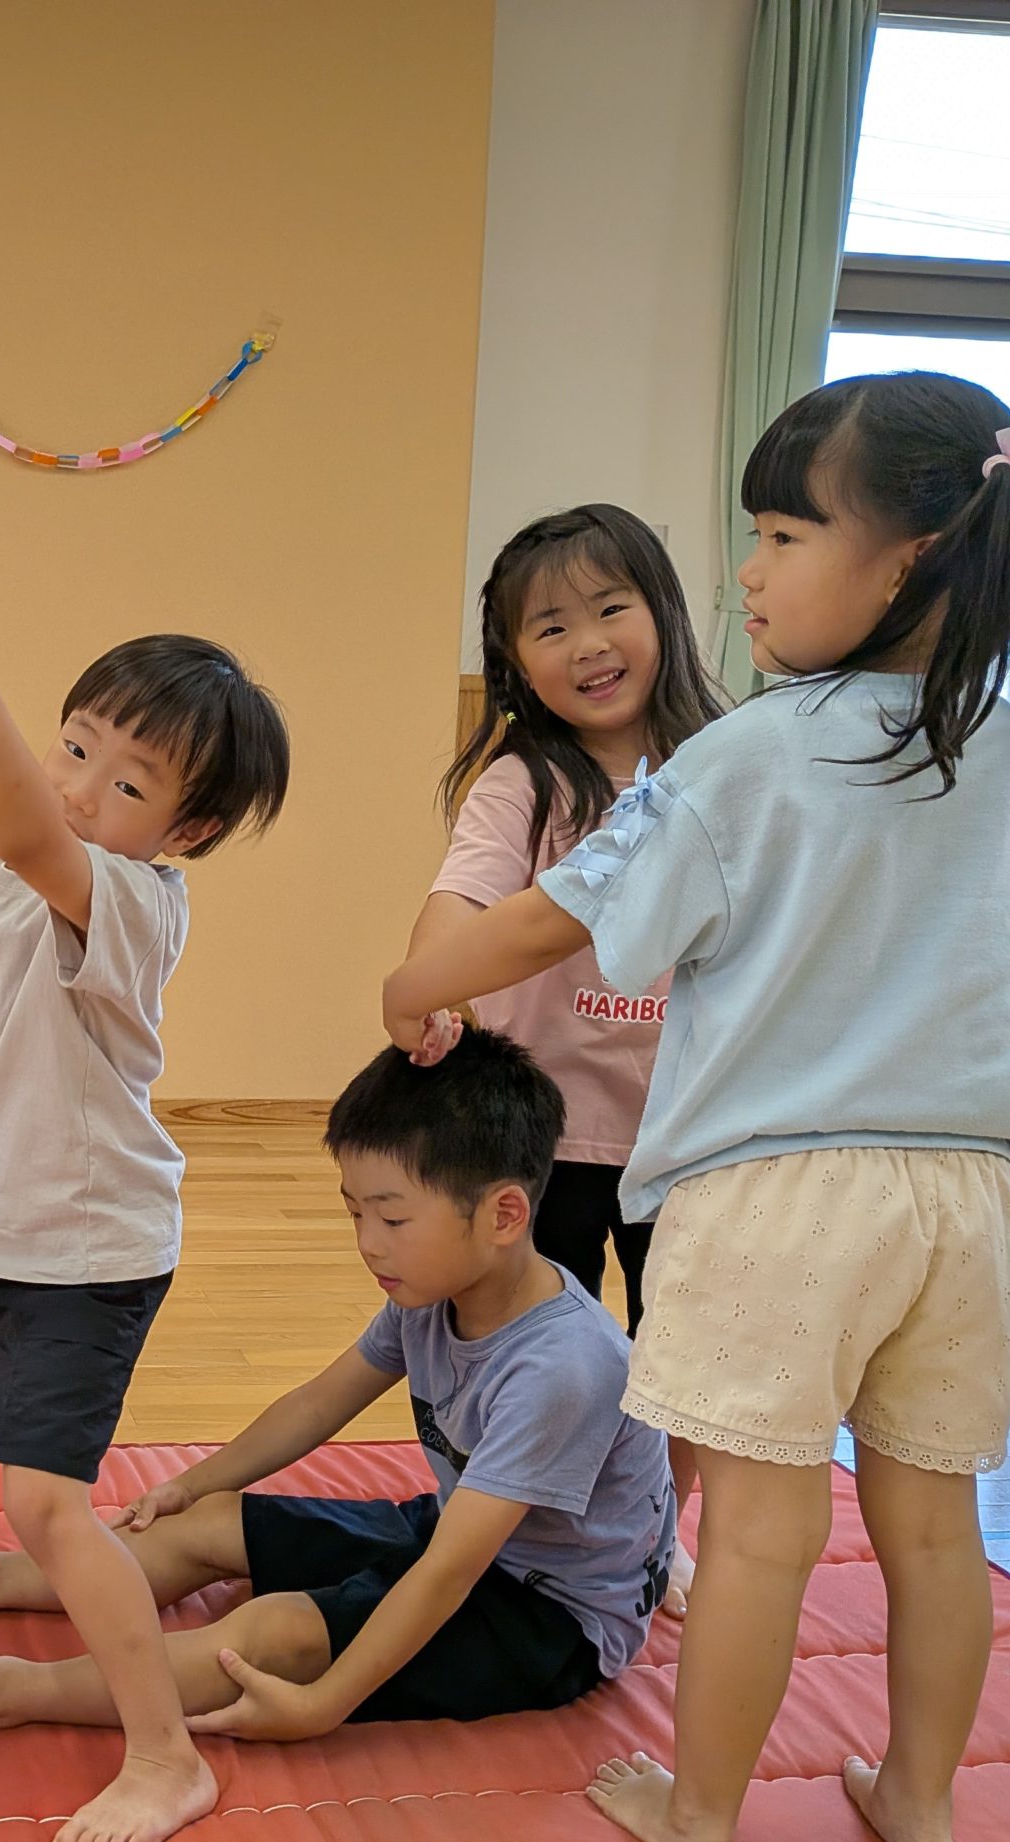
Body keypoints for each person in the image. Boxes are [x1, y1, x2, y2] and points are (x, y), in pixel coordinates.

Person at [382, 372, 1010, 1842]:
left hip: (779, 1193)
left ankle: (701, 1819)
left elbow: (553, 918)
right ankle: (921, 1807)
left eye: (783, 534)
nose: (749, 570)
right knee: (934, 1527)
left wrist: (416, 980)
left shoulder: (747, 752)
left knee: (764, 1531)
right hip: (968, 1201)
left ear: (905, 559)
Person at [0, 1030, 675, 1762]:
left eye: (391, 1220)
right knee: (206, 1522)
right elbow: (317, 1405)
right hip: (467, 1533)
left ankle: (0, 1691)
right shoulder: (436, 1294)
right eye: (354, 1214)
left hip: (548, 1618)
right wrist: (193, 1484)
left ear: (503, 1215)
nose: (368, 1244)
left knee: (270, 1635)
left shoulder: (561, 1370)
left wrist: (322, 1703)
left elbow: (447, 1574)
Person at [0, 539, 290, 1842]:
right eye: (74, 747)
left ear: (186, 832)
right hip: (7, 1217)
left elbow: (20, 818)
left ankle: (165, 1757)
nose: (81, 787)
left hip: (86, 1248)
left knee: (53, 1506)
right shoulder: (43, 845)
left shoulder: (129, 897)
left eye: (126, 781)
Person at [417, 504, 724, 1616]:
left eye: (609, 609)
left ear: (663, 614)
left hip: (687, 1133)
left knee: (678, 1353)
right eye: (551, 627)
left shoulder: (723, 768)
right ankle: (522, 1516)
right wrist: (428, 979)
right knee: (538, 1342)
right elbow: (460, 897)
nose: (588, 644)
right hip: (543, 1139)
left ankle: (653, 1528)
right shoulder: (522, 786)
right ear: (514, 662)